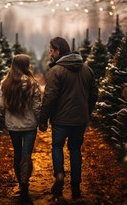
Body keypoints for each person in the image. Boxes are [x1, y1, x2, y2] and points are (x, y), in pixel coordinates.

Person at [39, 37, 98, 199]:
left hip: (60, 120)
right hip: (80, 120)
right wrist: (86, 111)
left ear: (58, 50)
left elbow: (49, 97)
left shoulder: (56, 71)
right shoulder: (87, 69)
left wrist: (43, 119)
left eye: (51, 50)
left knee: (57, 147)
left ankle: (59, 175)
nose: (50, 54)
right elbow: (94, 94)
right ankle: (76, 187)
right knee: (75, 150)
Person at [0, 54, 42, 200]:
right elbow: (36, 107)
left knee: (17, 152)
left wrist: (7, 117)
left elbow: (0, 106)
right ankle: (25, 181)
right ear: (26, 65)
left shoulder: (5, 83)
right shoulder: (32, 84)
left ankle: (21, 184)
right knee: (26, 154)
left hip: (13, 125)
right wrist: (41, 120)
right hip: (30, 126)